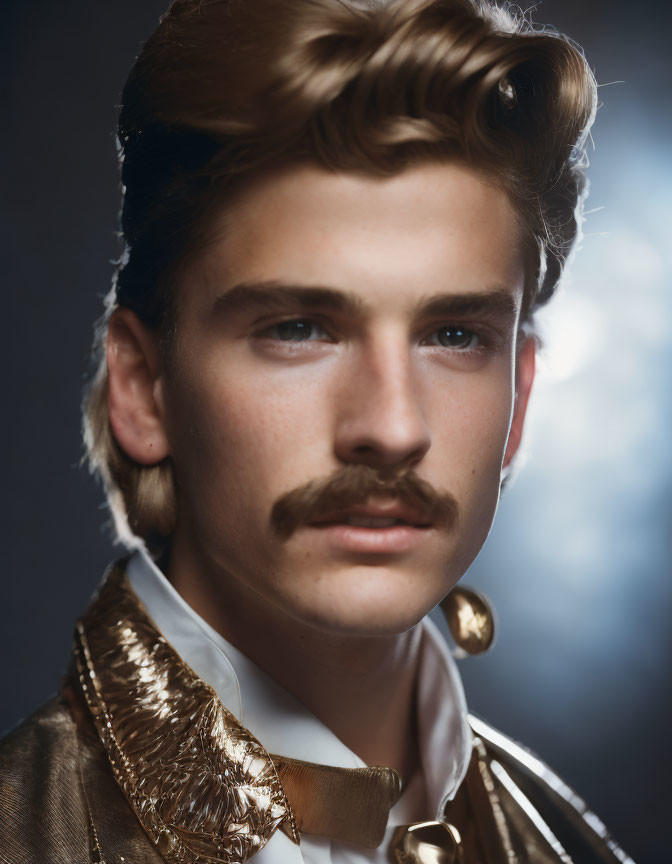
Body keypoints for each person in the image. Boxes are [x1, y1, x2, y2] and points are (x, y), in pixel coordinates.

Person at [0, 0, 634, 862]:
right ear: (143, 388)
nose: (392, 425)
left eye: (455, 336)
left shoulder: (569, 843)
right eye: (299, 328)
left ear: (519, 398)